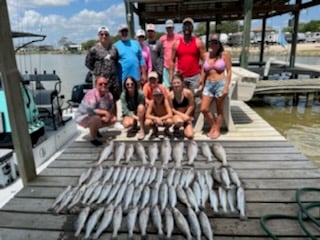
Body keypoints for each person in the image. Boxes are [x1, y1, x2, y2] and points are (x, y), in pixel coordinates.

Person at [196, 33, 232, 139]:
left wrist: (226, 86)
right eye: (211, 42)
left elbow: (229, 71)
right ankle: (213, 126)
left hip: (220, 83)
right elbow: (203, 69)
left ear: (220, 44)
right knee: (203, 109)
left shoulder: (225, 54)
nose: (213, 44)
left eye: (216, 42)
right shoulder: (206, 55)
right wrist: (201, 81)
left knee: (219, 109)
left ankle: (217, 130)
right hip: (208, 85)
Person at [75, 76, 116, 146]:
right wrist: (106, 113)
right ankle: (93, 139)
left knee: (113, 119)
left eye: (105, 84)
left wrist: (109, 115)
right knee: (96, 119)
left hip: (95, 116)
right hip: (83, 117)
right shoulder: (91, 94)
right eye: (100, 84)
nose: (103, 85)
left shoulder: (109, 94)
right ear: (96, 85)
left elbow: (112, 106)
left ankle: (95, 129)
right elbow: (91, 110)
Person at [85, 26, 122, 102]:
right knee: (101, 101)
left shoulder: (114, 48)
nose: (104, 36)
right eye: (101, 34)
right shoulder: (93, 49)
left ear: (109, 35)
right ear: (98, 35)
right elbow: (88, 63)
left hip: (113, 81)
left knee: (114, 100)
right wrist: (97, 73)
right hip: (101, 82)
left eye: (106, 34)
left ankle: (113, 114)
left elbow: (116, 60)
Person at [169, 17, 206, 93]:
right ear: (182, 28)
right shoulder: (176, 44)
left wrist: (202, 77)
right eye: (185, 26)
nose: (187, 28)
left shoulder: (198, 42)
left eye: (189, 26)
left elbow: (205, 61)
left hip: (195, 77)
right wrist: (171, 76)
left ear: (192, 28)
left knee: (196, 100)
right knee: (182, 99)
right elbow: (172, 61)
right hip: (181, 77)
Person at [169, 72, 195, 139]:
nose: (176, 85)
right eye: (174, 83)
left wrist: (186, 115)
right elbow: (172, 109)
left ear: (182, 83)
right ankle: (176, 128)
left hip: (186, 114)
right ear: (172, 85)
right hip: (177, 115)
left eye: (178, 83)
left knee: (190, 136)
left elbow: (191, 105)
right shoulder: (170, 95)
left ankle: (186, 127)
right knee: (179, 121)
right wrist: (182, 115)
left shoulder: (188, 93)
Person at [159, 19, 181, 88]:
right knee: (166, 86)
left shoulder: (179, 37)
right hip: (166, 67)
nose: (169, 29)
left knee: (176, 85)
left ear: (173, 28)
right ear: (166, 28)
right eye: (168, 27)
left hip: (176, 66)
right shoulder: (162, 39)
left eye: (171, 27)